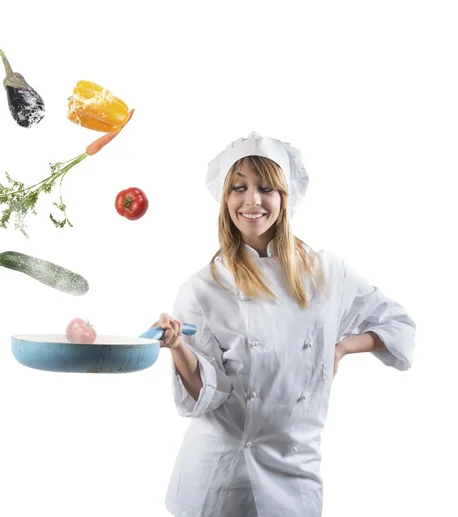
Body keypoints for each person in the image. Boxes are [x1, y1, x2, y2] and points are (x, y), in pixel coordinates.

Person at [152, 132, 416, 517]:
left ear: (285, 198)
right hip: (221, 477)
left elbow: (397, 323)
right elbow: (207, 393)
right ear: (226, 200)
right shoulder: (202, 288)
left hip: (296, 471)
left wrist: (341, 347)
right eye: (238, 188)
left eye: (266, 188)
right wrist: (177, 347)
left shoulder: (326, 271)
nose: (251, 201)